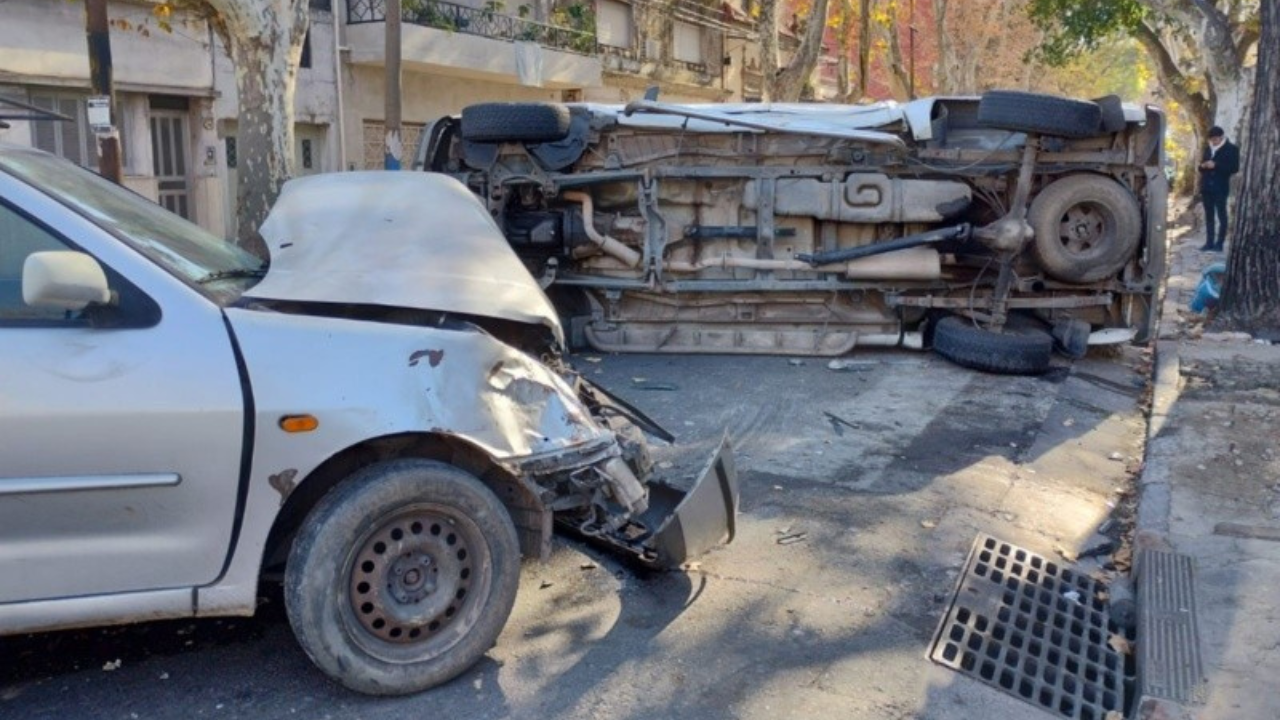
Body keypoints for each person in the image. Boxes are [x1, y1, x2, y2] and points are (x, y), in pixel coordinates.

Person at [1198, 126, 1240, 252]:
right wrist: (1203, 165)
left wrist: (1216, 165)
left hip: (1220, 187)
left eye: (1215, 139)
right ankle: (1209, 242)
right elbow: (1200, 168)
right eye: (1211, 140)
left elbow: (1234, 168)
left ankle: (1219, 243)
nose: (1213, 142)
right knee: (1209, 216)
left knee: (1222, 215)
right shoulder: (1208, 149)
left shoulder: (1232, 149)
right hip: (1206, 187)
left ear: (1221, 137)